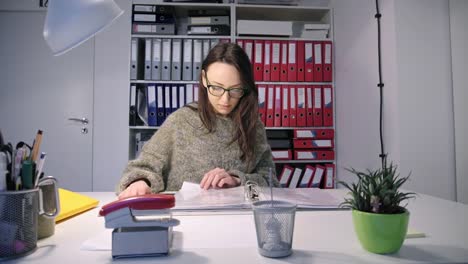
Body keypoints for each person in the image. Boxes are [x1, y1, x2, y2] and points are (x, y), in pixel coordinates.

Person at [117, 42, 278, 200]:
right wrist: (140, 182)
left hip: (238, 218)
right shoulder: (181, 121)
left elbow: (271, 184)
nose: (225, 99)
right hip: (186, 219)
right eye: (216, 87)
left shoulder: (253, 125)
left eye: (235, 89)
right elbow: (142, 167)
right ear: (204, 79)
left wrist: (238, 180)